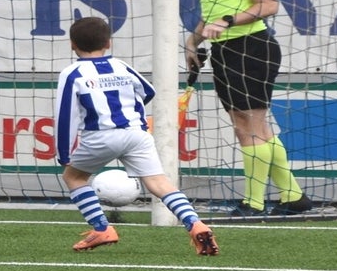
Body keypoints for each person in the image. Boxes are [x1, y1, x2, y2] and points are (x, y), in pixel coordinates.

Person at [179, 0, 314, 217]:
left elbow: (269, 5)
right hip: (224, 50)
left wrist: (228, 20)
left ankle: (254, 203)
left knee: (248, 127)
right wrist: (192, 42)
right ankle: (293, 196)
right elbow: (211, 12)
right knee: (253, 125)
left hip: (253, 47)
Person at [54, 17, 218, 256]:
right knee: (159, 183)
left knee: (74, 177)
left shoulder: (72, 73)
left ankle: (102, 228)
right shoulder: (121, 66)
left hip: (100, 136)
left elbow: (65, 115)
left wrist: (64, 153)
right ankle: (195, 224)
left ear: (72, 44)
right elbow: (148, 91)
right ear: (108, 43)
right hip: (136, 133)